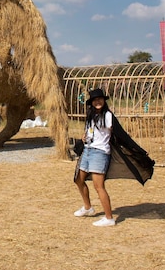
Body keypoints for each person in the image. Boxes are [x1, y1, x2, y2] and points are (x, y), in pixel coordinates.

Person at [73, 88, 116, 227]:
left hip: (100, 152)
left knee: (99, 186)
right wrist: (84, 137)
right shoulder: (91, 116)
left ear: (104, 100)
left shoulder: (108, 116)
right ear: (91, 103)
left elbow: (117, 133)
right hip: (88, 150)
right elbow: (90, 132)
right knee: (78, 179)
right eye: (94, 100)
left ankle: (109, 218)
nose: (97, 102)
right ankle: (88, 208)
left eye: (100, 99)